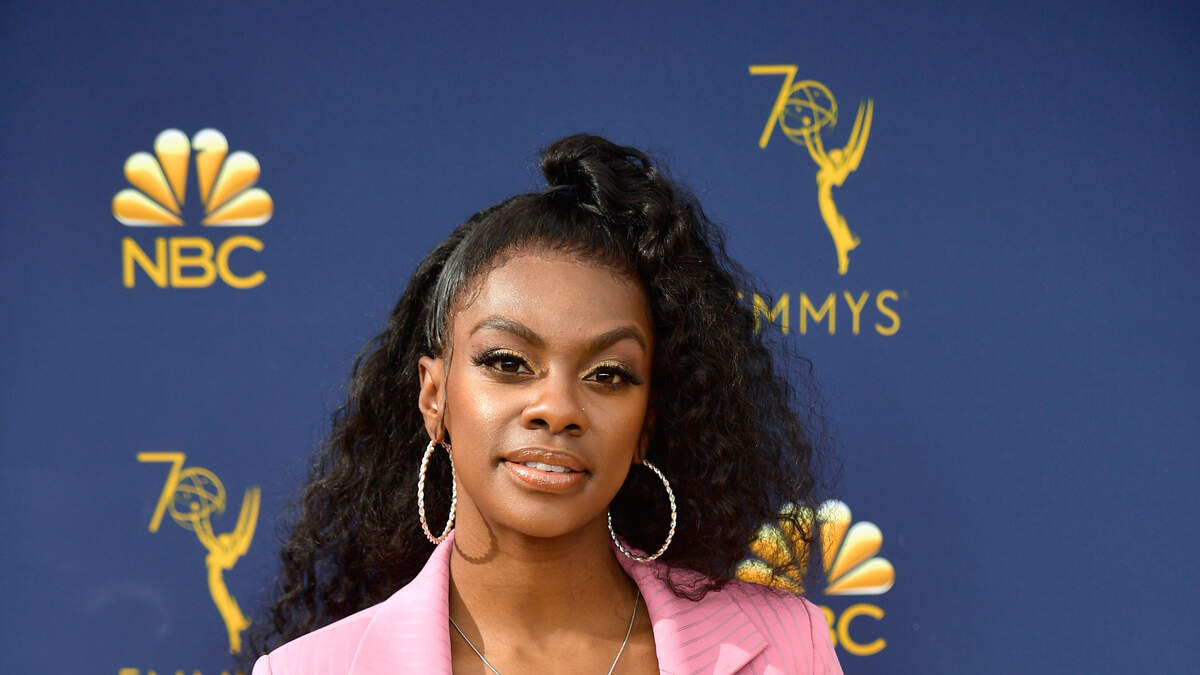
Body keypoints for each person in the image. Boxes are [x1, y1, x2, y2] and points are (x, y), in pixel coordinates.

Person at [247, 134, 841, 674]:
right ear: (434, 395)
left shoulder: (788, 646)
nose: (557, 408)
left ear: (647, 423)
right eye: (508, 363)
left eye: (608, 374)